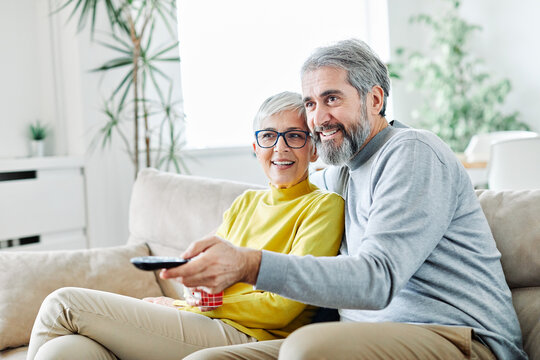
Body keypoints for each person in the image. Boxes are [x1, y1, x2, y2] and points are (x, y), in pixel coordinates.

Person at [165, 39, 527, 360]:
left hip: (458, 339)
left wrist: (249, 264)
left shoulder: (412, 152)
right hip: (361, 340)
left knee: (306, 349)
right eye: (310, 103)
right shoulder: (341, 174)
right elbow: (285, 183)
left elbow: (377, 278)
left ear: (374, 99)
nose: (318, 118)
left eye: (332, 99)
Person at [26, 91, 345, 360]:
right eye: (268, 136)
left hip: (252, 336)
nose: (280, 147)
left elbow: (283, 308)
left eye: (294, 135)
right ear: (255, 148)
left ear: (314, 147)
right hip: (205, 322)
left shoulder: (323, 206)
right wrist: (189, 295)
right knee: (65, 350)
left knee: (63, 303)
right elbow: (202, 276)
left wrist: (185, 306)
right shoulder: (246, 203)